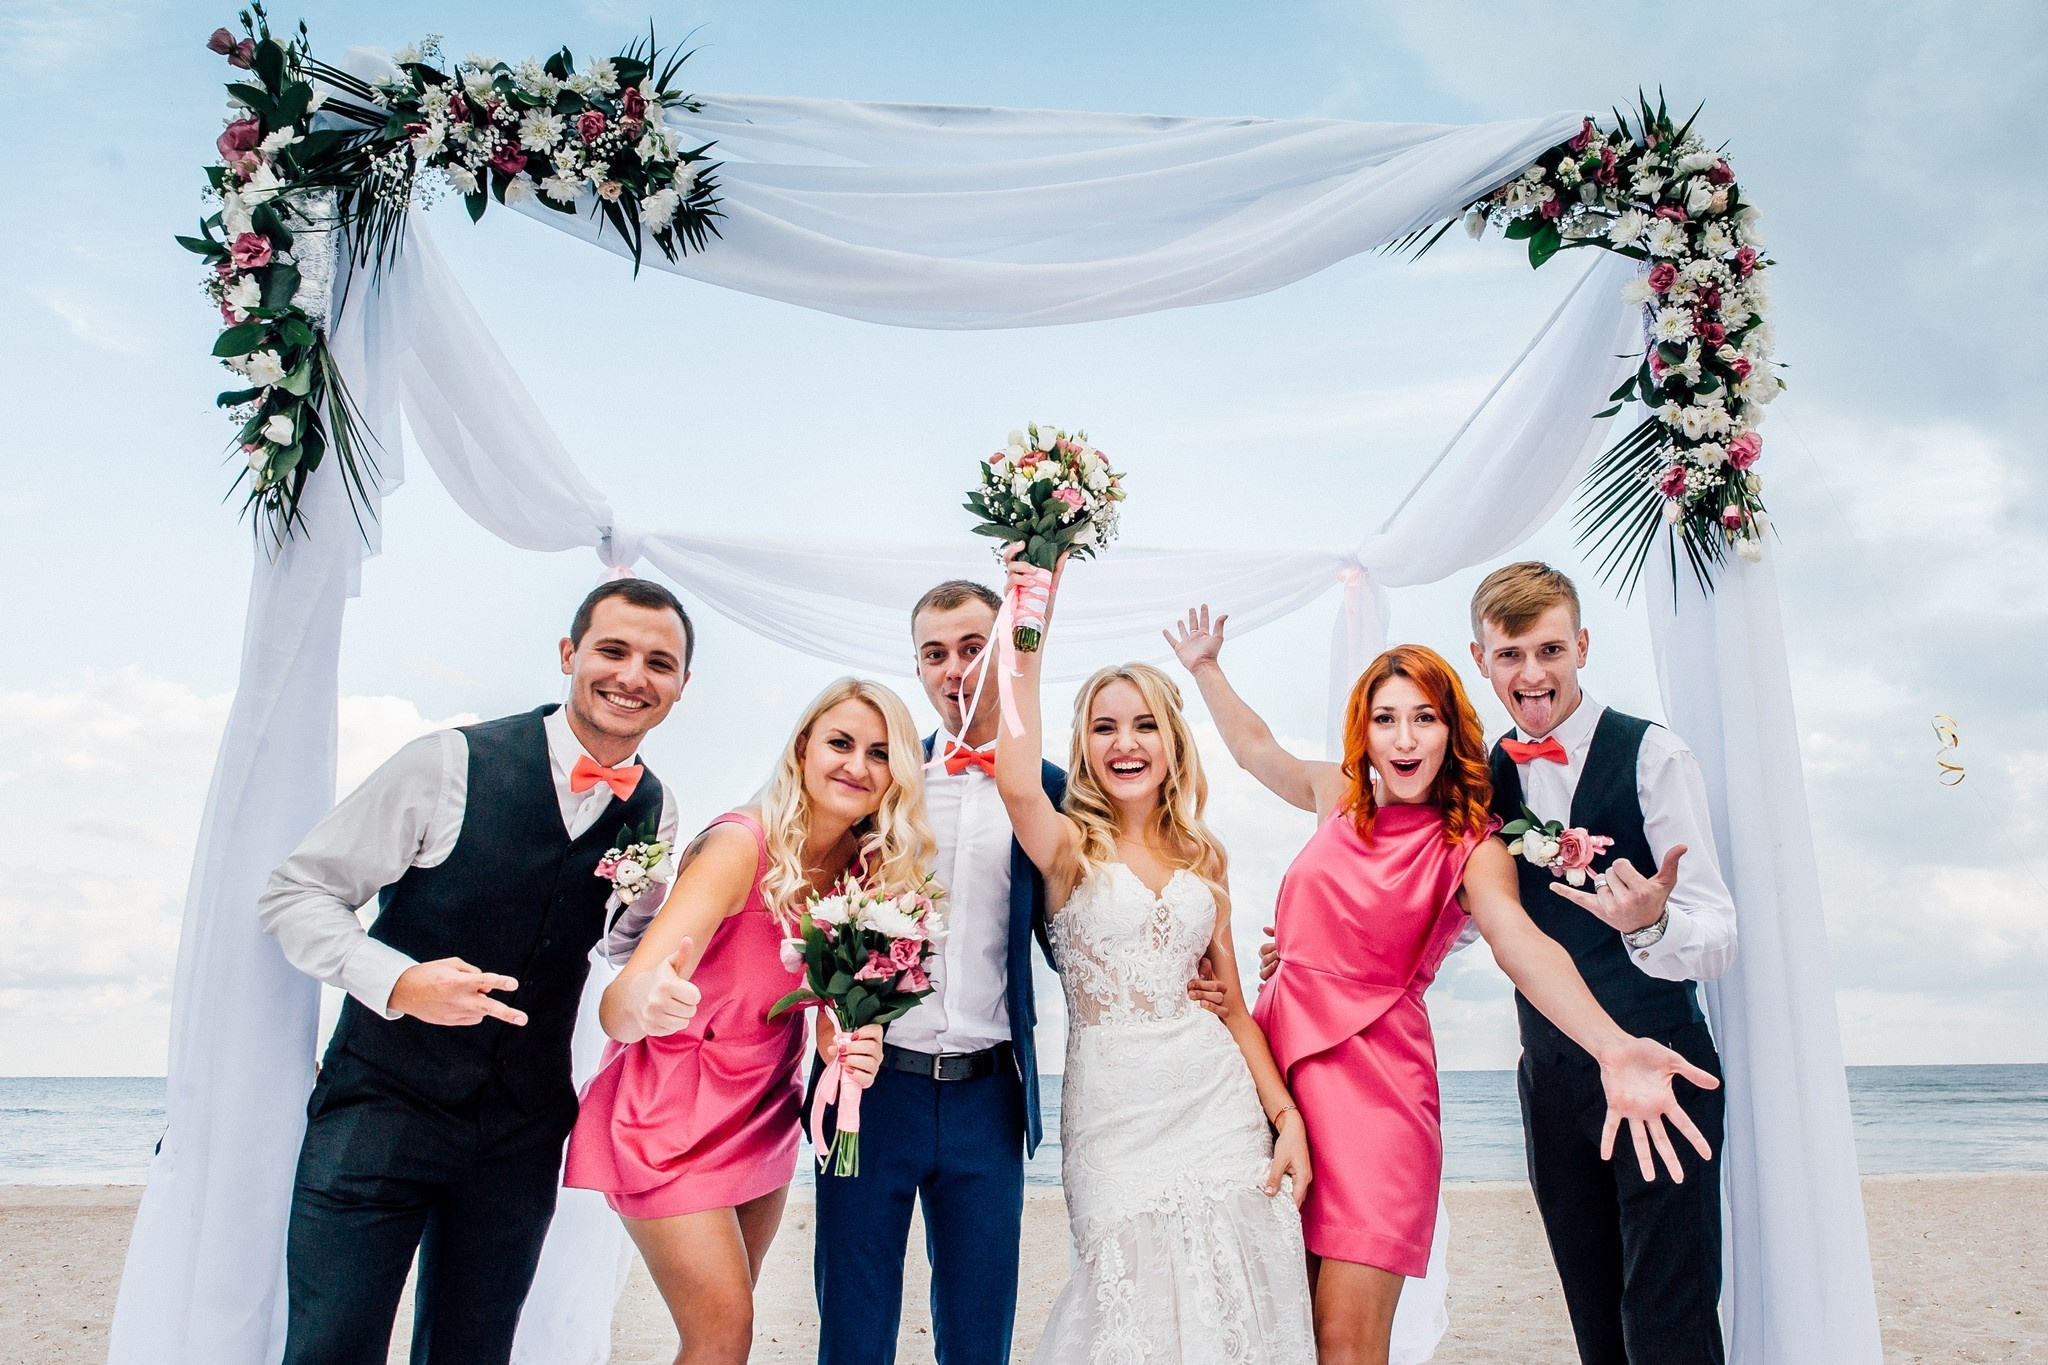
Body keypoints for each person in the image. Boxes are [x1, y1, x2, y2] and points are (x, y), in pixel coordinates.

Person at [1169, 609, 1718, 1365]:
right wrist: (1205, 668)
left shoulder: (1471, 844)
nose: (1403, 738)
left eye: (1423, 718)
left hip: (1375, 1098)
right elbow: (1253, 747)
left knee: (1344, 1345)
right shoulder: (1335, 795)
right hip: (1270, 1079)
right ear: (1363, 729)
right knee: (1279, 1331)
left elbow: (1521, 943)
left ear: (1450, 728)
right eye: (1386, 718)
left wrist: (1613, 1046)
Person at [258, 577, 693, 1365]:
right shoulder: (446, 762)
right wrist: (398, 980)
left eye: (659, 662)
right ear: (570, 654)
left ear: (681, 686)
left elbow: (629, 946)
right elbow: (299, 892)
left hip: (521, 1133)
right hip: (380, 1109)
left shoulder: (655, 810)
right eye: (614, 650)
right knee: (329, 1348)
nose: (634, 675)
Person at [995, 553, 1317, 1365]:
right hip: (1115, 1116)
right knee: (1129, 1311)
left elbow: (1235, 1007)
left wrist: (1287, 1119)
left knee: (1238, 1299)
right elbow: (1016, 781)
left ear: (1172, 741)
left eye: (1143, 725)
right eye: (1104, 726)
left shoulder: (1206, 858)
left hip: (1220, 1109)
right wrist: (1030, 611)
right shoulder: (1069, 849)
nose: (1124, 742)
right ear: (1084, 743)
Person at [564, 677, 932, 1365]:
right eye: (841, 742)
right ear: (803, 747)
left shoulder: (863, 870)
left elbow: (831, 1001)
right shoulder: (738, 845)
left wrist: (855, 1037)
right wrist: (647, 1000)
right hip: (668, 1117)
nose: (857, 764)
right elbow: (621, 1002)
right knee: (721, 1336)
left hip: (764, 1108)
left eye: (880, 752)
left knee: (723, 1335)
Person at [1466, 561, 1736, 1365]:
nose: (1533, 673)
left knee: (1671, 1316)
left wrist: (1650, 923)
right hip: (1551, 1080)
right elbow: (1477, 920)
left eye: (1550, 649)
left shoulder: (1653, 755)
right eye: (1510, 654)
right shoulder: (1482, 777)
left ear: (1581, 645)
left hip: (1662, 1064)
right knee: (1595, 1323)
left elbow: (1718, 937)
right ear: (1482, 660)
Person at [811, 578, 1065, 1365]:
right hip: (870, 1088)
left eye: (972, 648)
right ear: (917, 667)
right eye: (934, 653)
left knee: (979, 1334)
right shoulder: (878, 780)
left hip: (989, 1096)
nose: (954, 669)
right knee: (852, 1328)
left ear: (1004, 653)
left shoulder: (1055, 789)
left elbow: (1076, 931)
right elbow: (807, 904)